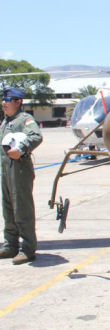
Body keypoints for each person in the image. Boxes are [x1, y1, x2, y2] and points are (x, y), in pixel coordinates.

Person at [1, 87, 43, 265]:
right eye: (3, 99)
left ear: (18, 102)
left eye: (8, 100)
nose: (4, 103)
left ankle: (27, 249)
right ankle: (10, 245)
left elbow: (36, 136)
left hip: (19, 169)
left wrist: (21, 149)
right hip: (5, 170)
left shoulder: (25, 119)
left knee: (22, 208)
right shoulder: (6, 121)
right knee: (8, 207)